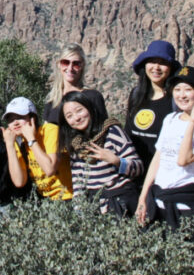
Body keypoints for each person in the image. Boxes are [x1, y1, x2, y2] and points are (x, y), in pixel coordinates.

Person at [135, 66, 194, 263]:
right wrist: (143, 196)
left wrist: (192, 123)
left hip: (187, 203)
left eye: (188, 89)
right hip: (161, 200)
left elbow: (183, 160)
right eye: (177, 89)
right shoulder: (170, 119)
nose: (182, 95)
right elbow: (159, 156)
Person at [60, 89, 143, 217]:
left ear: (89, 108)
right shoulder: (76, 144)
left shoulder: (111, 132)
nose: (76, 118)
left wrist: (116, 161)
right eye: (69, 116)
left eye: (79, 110)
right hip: (96, 207)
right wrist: (80, 212)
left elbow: (138, 167)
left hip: (122, 202)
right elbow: (78, 182)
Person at [3, 97, 73, 201]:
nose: (15, 123)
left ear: (32, 118)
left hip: (70, 197)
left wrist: (31, 139)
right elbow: (19, 181)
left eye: (20, 117)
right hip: (47, 202)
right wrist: (9, 145)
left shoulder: (49, 131)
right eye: (11, 119)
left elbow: (50, 169)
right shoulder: (19, 143)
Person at [125, 40, 180, 171]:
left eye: (162, 63)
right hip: (135, 171)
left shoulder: (176, 99)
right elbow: (128, 132)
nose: (156, 67)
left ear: (171, 67)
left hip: (164, 174)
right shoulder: (136, 94)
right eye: (152, 61)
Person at [42, 43, 88, 124]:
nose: (70, 68)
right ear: (59, 65)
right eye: (65, 62)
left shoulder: (91, 97)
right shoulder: (52, 101)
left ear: (82, 66)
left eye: (76, 64)